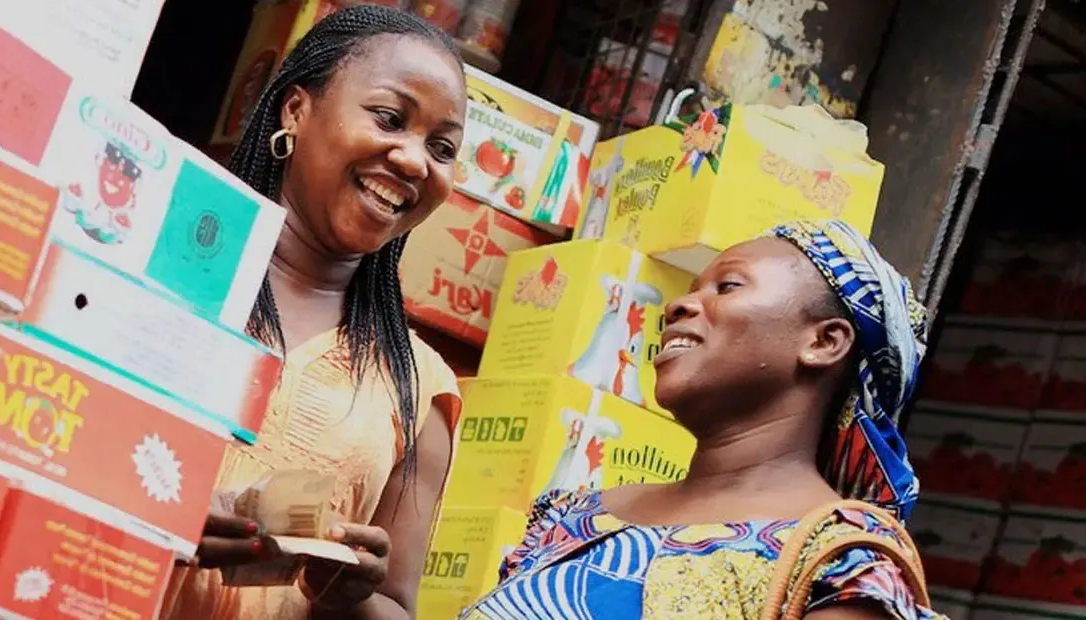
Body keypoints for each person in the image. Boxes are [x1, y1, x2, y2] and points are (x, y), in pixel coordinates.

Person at [460, 220, 944, 619]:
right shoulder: (574, 516)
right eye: (691, 290)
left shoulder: (841, 566)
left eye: (726, 286)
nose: (678, 305)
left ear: (824, 343)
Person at [160, 5, 467, 618]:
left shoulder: (421, 386)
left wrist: (349, 592)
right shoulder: (159, 268)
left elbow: (397, 607)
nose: (413, 160)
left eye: (441, 146)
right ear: (295, 111)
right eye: (389, 118)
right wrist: (158, 514)